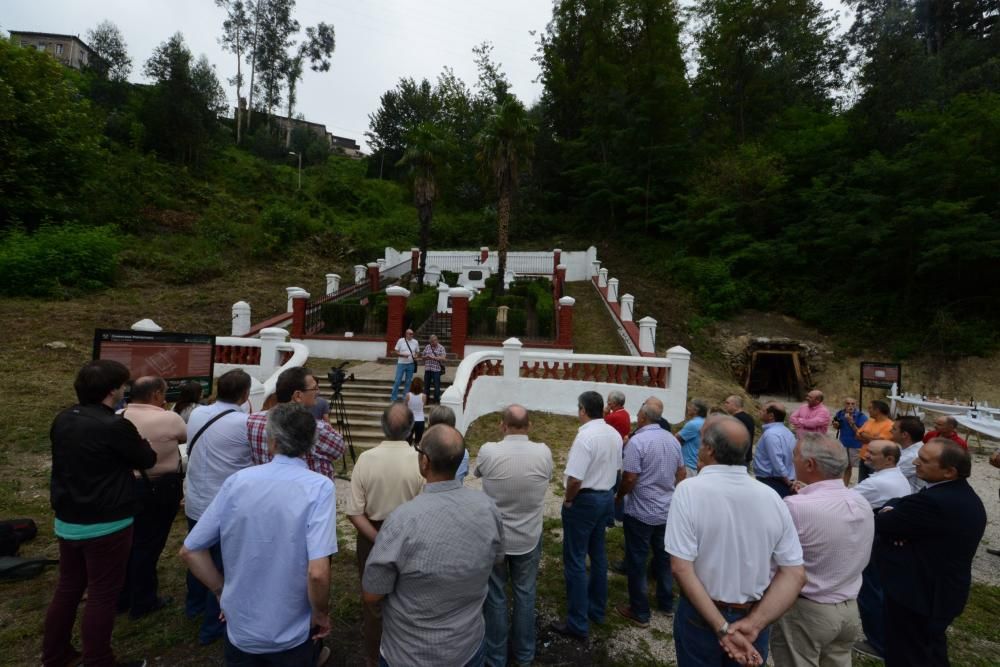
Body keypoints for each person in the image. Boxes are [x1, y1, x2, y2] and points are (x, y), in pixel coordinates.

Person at [181, 403, 337, 665]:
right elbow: (318, 572)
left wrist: (222, 593)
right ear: (311, 444)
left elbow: (190, 549)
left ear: (271, 442)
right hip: (292, 630)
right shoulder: (319, 487)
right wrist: (321, 613)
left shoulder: (238, 481)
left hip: (241, 626)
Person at [42, 360, 156, 667]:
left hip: (69, 516)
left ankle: (54, 654)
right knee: (103, 593)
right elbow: (146, 458)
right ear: (112, 391)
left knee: (68, 587)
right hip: (107, 520)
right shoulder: (115, 425)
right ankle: (99, 659)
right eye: (122, 386)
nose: (124, 391)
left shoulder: (64, 418)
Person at [666, 416, 805, 667]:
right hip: (753, 615)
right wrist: (754, 624)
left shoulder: (689, 490)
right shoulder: (771, 497)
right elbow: (795, 573)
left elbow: (680, 567)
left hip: (702, 615)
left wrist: (722, 628)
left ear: (708, 449)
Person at [363, 425, 504, 667]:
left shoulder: (402, 520)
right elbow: (497, 559)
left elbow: (372, 593)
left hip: (409, 654)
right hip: (467, 648)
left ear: (425, 462)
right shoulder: (488, 507)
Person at [876, 439, 987, 666]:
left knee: (907, 654)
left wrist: (892, 516)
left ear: (949, 471)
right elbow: (901, 505)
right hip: (940, 593)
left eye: (925, 460)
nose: (916, 462)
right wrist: (895, 512)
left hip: (918, 595)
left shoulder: (935, 503)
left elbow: (882, 522)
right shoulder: (959, 493)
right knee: (929, 651)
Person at [770, 433, 874, 667]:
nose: (792, 460)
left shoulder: (796, 506)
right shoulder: (860, 501)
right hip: (848, 607)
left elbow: (772, 556)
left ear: (809, 464)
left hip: (807, 610)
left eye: (795, 455)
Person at [345, 403, 424, 667]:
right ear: (412, 429)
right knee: (407, 597)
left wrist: (379, 538)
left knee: (373, 603)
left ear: (383, 426)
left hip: (372, 535)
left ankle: (373, 656)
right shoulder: (419, 460)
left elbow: (354, 511)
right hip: (410, 534)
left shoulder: (366, 459)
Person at [475, 405, 553, 667]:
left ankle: (496, 658)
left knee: (495, 596)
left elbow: (478, 474)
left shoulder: (488, 451)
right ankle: (524, 654)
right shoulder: (543, 452)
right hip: (528, 536)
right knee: (525, 593)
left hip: (495, 537)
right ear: (529, 426)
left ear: (502, 425)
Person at [184, 368, 252, 646]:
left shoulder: (197, 413)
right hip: (223, 508)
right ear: (245, 394)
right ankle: (214, 625)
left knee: (196, 556)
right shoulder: (244, 423)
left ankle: (194, 606)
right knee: (224, 568)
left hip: (195, 500)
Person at [550, 391, 623, 641]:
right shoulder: (613, 433)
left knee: (575, 560)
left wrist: (569, 500)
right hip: (605, 497)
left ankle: (578, 621)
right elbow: (616, 467)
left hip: (585, 499)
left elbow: (575, 478)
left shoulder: (585, 437)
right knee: (598, 554)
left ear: (582, 410)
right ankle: (597, 610)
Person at [118, 376, 187, 619]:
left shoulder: (119, 417)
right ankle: (143, 599)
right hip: (159, 488)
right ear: (157, 395)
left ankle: (122, 595)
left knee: (128, 541)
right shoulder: (169, 418)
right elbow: (183, 437)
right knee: (149, 544)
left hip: (125, 487)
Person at [614, 398, 685, 627]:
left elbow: (630, 477)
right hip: (666, 509)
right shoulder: (672, 440)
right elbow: (681, 472)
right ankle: (666, 604)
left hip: (641, 511)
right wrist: (668, 489)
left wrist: (620, 495)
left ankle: (640, 611)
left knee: (637, 559)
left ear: (643, 417)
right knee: (663, 558)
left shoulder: (637, 441)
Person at [853, 440, 912, 661]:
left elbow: (846, 499)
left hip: (875, 541)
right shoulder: (895, 476)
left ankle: (878, 643)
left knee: (869, 591)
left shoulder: (877, 484)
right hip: (888, 540)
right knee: (879, 589)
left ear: (889, 459)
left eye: (872, 453)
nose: (866, 456)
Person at [247, 367, 346, 479]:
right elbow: (339, 450)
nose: (318, 391)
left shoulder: (251, 421)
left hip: (265, 489)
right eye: (314, 388)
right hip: (308, 492)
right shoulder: (317, 428)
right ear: (298, 395)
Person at [753, 402, 796, 498]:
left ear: (771, 416)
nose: (759, 412)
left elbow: (776, 462)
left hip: (773, 482)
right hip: (783, 480)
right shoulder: (787, 431)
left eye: (763, 410)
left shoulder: (771, 434)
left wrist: (788, 483)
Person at [428, 404, 470, 482]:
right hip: (455, 493)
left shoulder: (423, 453)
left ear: (430, 426)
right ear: (453, 426)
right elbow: (464, 473)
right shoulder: (464, 453)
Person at [832, 397, 868, 485]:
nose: (850, 406)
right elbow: (837, 426)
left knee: (860, 467)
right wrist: (836, 425)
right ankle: (844, 486)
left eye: (852, 404)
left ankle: (862, 485)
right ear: (844, 405)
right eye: (848, 404)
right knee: (846, 466)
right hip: (843, 443)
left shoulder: (861, 416)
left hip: (856, 445)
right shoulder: (840, 413)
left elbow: (860, 433)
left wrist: (851, 422)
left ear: (856, 405)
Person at [855, 400, 894, 482]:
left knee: (873, 483)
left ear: (877, 410)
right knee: (861, 483)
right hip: (864, 457)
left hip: (877, 460)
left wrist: (864, 435)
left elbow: (879, 443)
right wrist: (872, 438)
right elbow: (857, 435)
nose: (868, 410)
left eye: (870, 408)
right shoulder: (870, 421)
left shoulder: (890, 425)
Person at [892, 415, 926, 493]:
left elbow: (888, 477)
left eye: (894, 429)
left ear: (904, 435)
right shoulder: (906, 448)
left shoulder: (913, 456)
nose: (890, 431)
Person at [677, 399, 708, 478]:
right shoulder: (706, 422)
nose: (688, 408)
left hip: (689, 465)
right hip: (698, 464)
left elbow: (676, 439)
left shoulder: (693, 424)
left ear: (696, 410)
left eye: (690, 406)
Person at [723, 395, 756, 464]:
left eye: (727, 403)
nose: (725, 404)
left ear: (735, 405)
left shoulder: (736, 419)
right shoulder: (749, 417)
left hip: (737, 459)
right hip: (745, 456)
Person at [390, 328, 419, 402]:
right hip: (401, 363)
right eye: (410, 334)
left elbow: (417, 352)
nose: (412, 335)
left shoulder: (415, 342)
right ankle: (393, 398)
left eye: (412, 334)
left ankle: (404, 398)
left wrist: (416, 356)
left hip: (411, 364)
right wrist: (402, 355)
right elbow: (396, 351)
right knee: (397, 381)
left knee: (408, 382)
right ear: (406, 334)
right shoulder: (401, 341)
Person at [422, 334, 447, 404]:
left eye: (434, 341)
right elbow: (422, 356)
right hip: (427, 369)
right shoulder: (427, 347)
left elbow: (444, 358)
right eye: (431, 342)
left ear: (437, 340)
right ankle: (426, 401)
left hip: (436, 370)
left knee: (437, 386)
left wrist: (435, 358)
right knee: (426, 386)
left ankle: (436, 401)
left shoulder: (441, 347)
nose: (433, 343)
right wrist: (426, 357)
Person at [406, 376, 427, 443]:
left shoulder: (408, 395)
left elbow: (406, 407)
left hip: (410, 420)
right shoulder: (424, 396)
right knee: (418, 441)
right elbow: (422, 406)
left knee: (408, 441)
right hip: (420, 420)